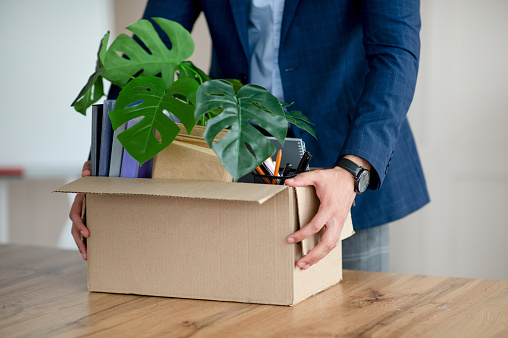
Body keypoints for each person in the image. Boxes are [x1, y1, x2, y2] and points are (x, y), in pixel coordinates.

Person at [70, 0, 429, 272]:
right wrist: (106, 164)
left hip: (342, 160)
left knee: (354, 318)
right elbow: (146, 54)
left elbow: (395, 53)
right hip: (234, 157)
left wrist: (354, 170)